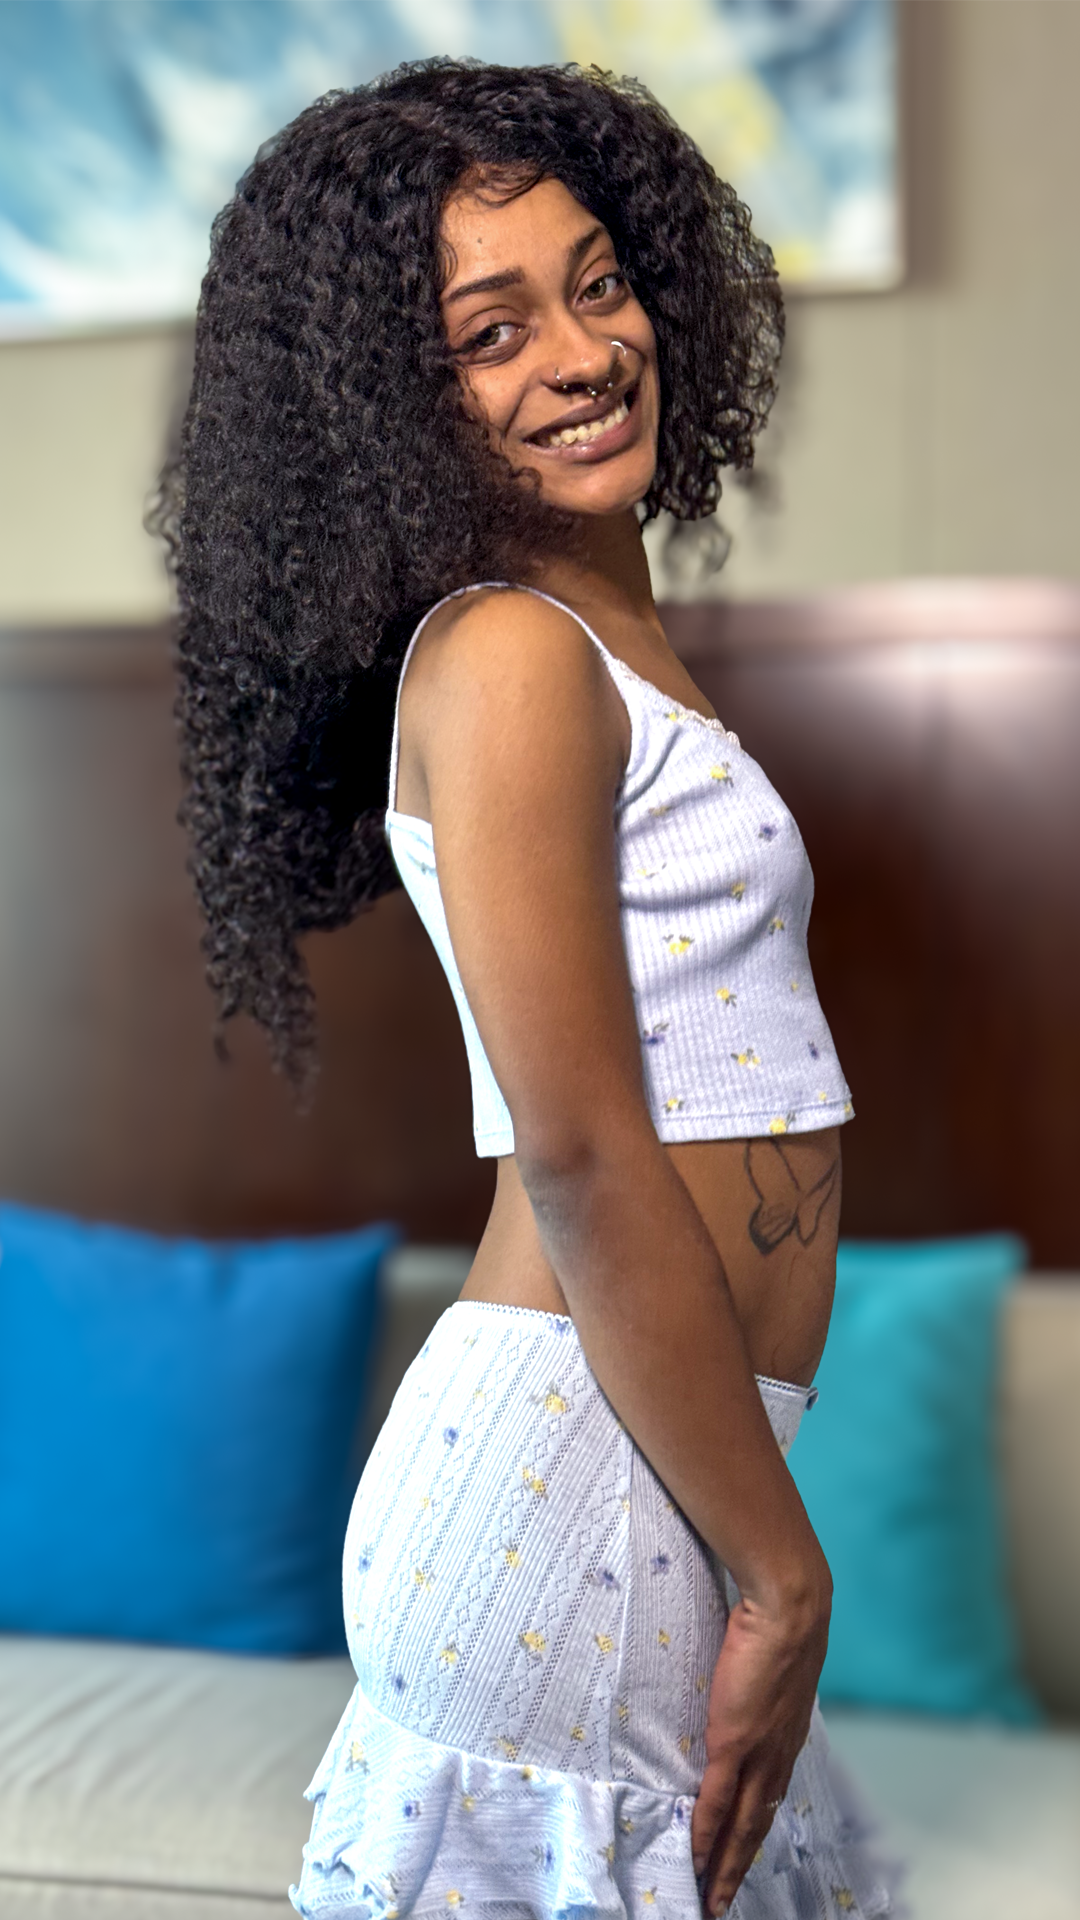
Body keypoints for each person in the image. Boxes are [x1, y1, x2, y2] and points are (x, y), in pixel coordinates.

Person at [161, 59, 891, 1920]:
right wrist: (783, 1573)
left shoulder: (597, 632)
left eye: (598, 283)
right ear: (388, 406)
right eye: (491, 334)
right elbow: (574, 1147)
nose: (583, 354)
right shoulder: (508, 654)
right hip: (577, 1480)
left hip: (646, 1465)